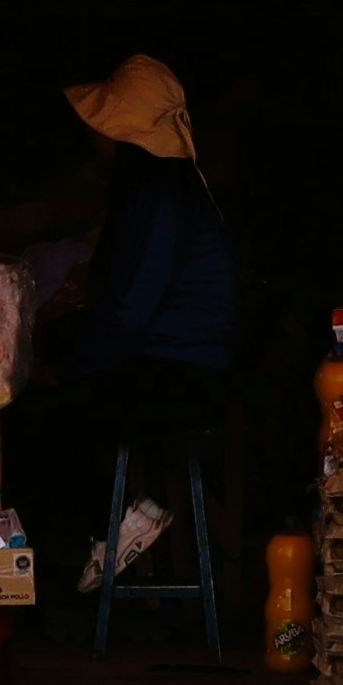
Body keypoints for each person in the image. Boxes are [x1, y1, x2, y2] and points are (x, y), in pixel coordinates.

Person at [43, 52, 238, 602]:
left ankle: (109, 531)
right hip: (176, 365)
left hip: (180, 377)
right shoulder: (161, 189)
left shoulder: (162, 194)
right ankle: (112, 524)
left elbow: (130, 315)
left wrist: (70, 368)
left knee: (44, 422)